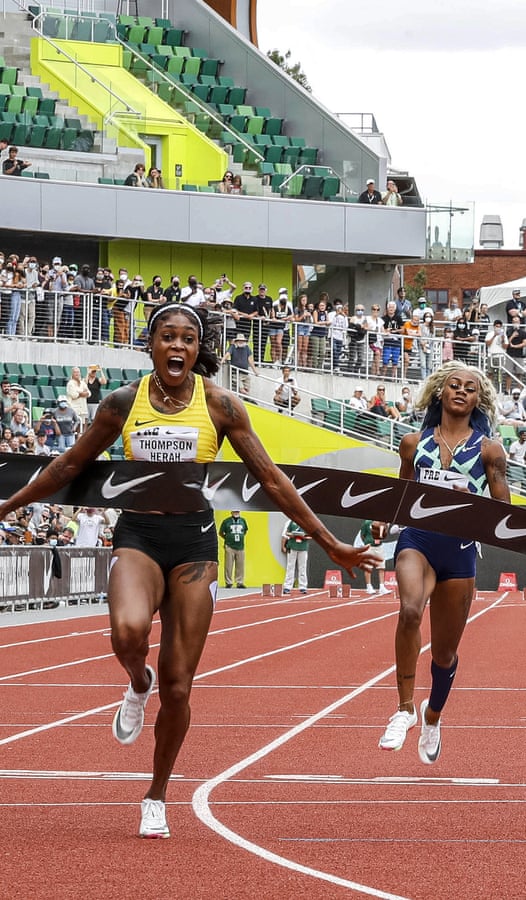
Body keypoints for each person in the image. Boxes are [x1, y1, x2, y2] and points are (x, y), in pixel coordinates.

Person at [0, 302, 378, 839]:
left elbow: (270, 479)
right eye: (167, 337)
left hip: (195, 544)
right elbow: (67, 466)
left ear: (198, 351)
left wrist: (329, 541)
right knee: (127, 634)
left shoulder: (221, 406)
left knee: (179, 689)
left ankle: (156, 794)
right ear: (151, 345)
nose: (177, 346)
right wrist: (7, 507)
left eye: (188, 340)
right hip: (138, 534)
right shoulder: (120, 404)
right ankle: (136, 682)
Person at [378, 361, 509, 764]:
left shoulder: (489, 450)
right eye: (454, 385)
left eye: (470, 388)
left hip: (460, 552)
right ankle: (403, 710)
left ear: (478, 400)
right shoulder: (413, 443)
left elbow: (502, 508)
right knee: (410, 610)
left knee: (444, 655)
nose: (461, 391)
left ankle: (432, 716)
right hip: (418, 541)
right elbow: (402, 493)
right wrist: (386, 518)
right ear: (440, 392)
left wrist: (476, 509)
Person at [219, 509, 249, 589]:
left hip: (240, 546)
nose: (236, 513)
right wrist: (228, 538)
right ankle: (228, 582)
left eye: (238, 511)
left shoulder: (243, 520)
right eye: (235, 511)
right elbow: (221, 532)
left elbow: (245, 531)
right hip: (229, 546)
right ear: (231, 512)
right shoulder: (226, 521)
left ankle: (239, 582)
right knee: (228, 565)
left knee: (240, 565)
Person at [281, 519, 310, 594]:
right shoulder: (290, 522)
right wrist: (291, 536)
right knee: (290, 567)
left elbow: (311, 536)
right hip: (292, 546)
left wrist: (304, 537)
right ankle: (287, 586)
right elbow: (286, 533)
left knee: (302, 567)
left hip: (303, 547)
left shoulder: (306, 522)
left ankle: (303, 587)